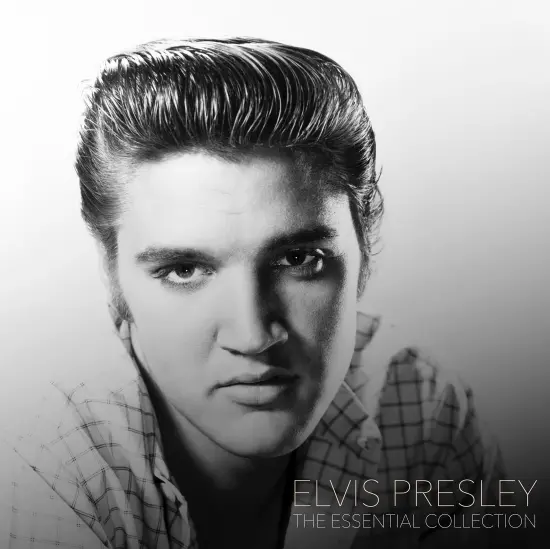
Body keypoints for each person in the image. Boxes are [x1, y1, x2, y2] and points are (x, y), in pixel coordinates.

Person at [1, 38, 508, 548]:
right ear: (111, 278)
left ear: (363, 254)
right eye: (183, 270)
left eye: (299, 259)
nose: (252, 336)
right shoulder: (39, 457)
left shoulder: (419, 408)